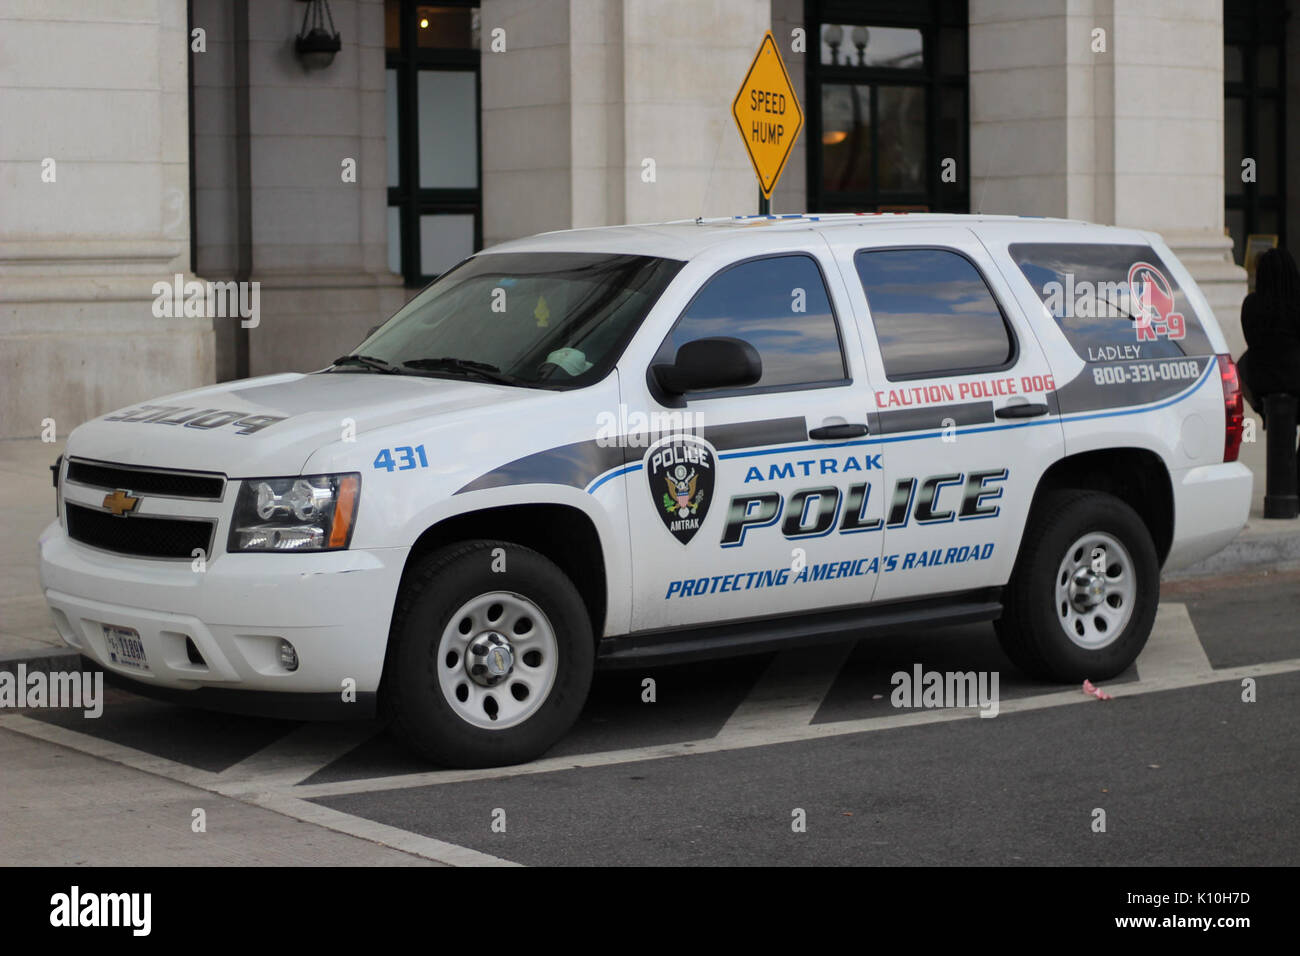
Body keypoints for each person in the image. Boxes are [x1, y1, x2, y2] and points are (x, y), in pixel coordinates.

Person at [1238, 247, 1300, 492]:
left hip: (1262, 382)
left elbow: (1250, 340)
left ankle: (1264, 414)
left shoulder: (1252, 305)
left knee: (1239, 364)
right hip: (1296, 379)